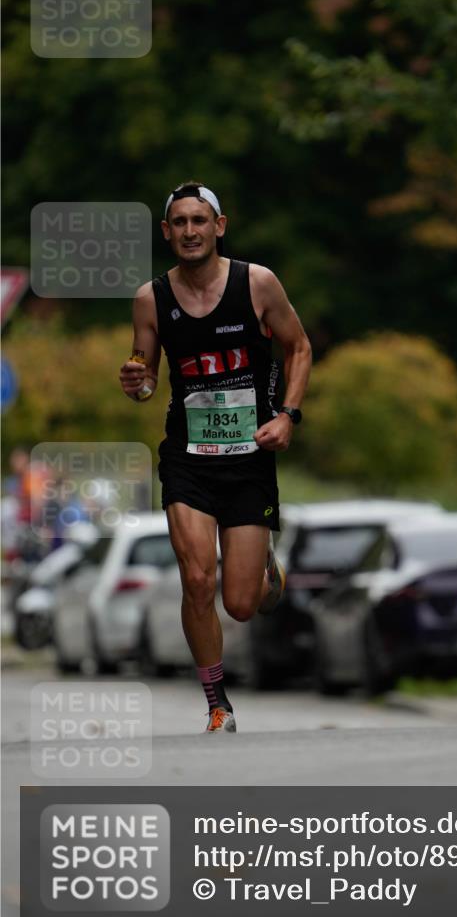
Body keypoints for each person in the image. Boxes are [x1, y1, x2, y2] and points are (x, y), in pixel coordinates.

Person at [119, 182, 311, 733]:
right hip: (187, 456)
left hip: (249, 457)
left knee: (243, 603)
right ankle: (217, 703)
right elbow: (145, 374)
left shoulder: (257, 284)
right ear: (166, 232)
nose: (189, 231)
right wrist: (136, 378)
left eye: (199, 220)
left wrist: (288, 415)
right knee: (197, 580)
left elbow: (298, 347)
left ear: (219, 226)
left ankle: (264, 566)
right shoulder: (149, 299)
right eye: (178, 222)